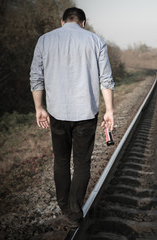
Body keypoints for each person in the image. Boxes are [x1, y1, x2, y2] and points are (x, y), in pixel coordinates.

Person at [29, 7, 114, 228]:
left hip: (58, 112)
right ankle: (75, 210)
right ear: (83, 23)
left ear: (62, 22)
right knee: (82, 162)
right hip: (86, 113)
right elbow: (106, 79)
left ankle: (64, 205)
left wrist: (39, 107)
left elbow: (36, 77)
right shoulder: (97, 41)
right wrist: (110, 110)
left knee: (61, 160)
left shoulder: (45, 40)